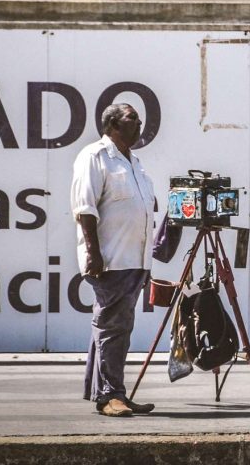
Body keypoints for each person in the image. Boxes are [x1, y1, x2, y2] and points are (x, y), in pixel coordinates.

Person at [70, 103, 157, 418]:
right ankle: (110, 396)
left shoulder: (135, 162)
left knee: (115, 326)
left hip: (135, 260)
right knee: (113, 327)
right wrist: (93, 251)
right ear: (112, 124)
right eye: (132, 118)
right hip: (110, 259)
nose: (139, 123)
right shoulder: (95, 156)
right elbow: (85, 208)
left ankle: (106, 391)